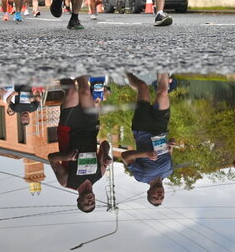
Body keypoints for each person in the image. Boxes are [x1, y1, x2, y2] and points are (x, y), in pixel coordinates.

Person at [49, 76, 110, 212]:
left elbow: (51, 159)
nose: (89, 201)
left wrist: (66, 157)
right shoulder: (99, 174)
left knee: (72, 90)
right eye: (92, 203)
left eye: (86, 204)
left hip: (69, 130)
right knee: (85, 91)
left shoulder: (67, 181)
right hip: (90, 127)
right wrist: (105, 155)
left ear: (79, 200)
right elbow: (105, 143)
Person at [120, 72, 174, 206]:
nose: (159, 195)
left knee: (142, 86)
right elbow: (168, 153)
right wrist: (170, 144)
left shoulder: (142, 177)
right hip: (160, 127)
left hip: (142, 128)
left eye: (156, 197)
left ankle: (124, 70)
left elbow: (125, 156)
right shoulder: (169, 171)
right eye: (161, 197)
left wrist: (145, 154)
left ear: (149, 193)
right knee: (163, 91)